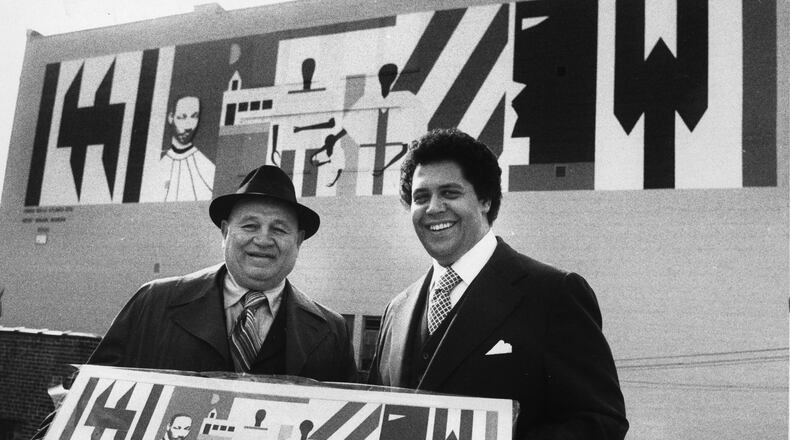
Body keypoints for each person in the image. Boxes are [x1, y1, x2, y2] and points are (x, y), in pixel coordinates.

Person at [367, 128, 628, 439]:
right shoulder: (396, 311)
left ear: (486, 200)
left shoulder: (554, 293)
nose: (433, 208)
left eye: (450, 193)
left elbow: (601, 422)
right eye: (421, 197)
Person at [89, 164, 357, 380]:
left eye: (279, 229)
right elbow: (90, 398)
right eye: (250, 226)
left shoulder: (332, 332)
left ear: (298, 241)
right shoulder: (154, 302)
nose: (263, 240)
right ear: (226, 232)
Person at [160, 95, 215, 201]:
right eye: (182, 117)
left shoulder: (207, 167)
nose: (189, 126)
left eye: (194, 117)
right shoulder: (160, 166)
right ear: (171, 118)